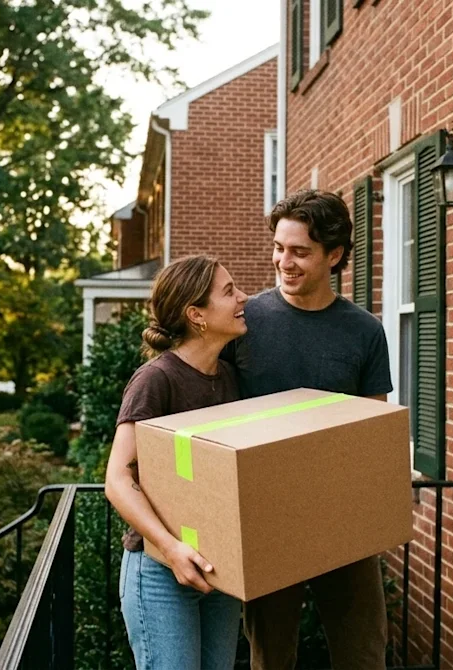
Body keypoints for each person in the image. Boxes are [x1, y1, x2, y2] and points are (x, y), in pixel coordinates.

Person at [226, 189, 394, 670]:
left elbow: (371, 430)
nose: (285, 261)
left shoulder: (364, 331)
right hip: (263, 515)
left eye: (299, 251)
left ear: (334, 255)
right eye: (279, 248)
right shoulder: (245, 321)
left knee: (363, 654)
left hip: (342, 514)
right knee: (270, 659)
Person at [104, 255, 250, 670]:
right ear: (196, 315)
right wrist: (171, 550)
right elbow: (117, 478)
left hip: (217, 570)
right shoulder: (156, 380)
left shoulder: (229, 378)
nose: (243, 298)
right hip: (159, 572)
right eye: (228, 292)